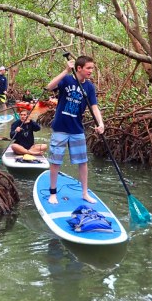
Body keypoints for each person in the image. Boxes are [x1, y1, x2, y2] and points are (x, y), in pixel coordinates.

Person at [46, 55, 105, 204]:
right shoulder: (66, 80)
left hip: (77, 129)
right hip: (60, 128)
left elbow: (94, 107)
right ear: (79, 68)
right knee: (55, 161)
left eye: (92, 68)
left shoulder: (89, 87)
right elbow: (49, 87)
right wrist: (65, 70)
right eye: (88, 68)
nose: (91, 71)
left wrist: (101, 123)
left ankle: (85, 193)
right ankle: (53, 193)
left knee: (83, 162)